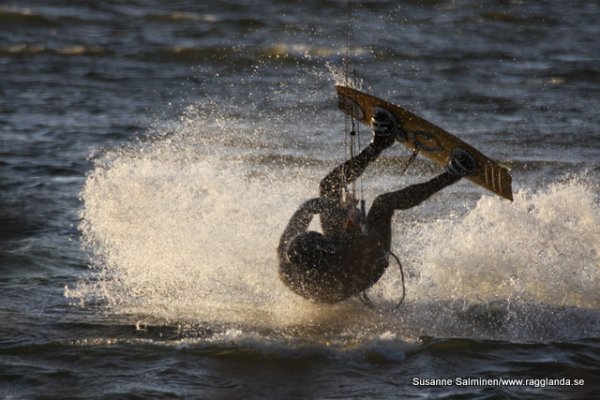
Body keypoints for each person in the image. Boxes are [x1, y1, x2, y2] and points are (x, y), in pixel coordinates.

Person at [277, 108, 475, 303]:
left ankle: (379, 144)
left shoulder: (287, 264)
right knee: (383, 204)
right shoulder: (343, 270)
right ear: (327, 258)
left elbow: (309, 207)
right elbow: (364, 244)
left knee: (328, 186)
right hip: (368, 263)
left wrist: (339, 211)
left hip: (340, 252)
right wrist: (355, 223)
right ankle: (452, 175)